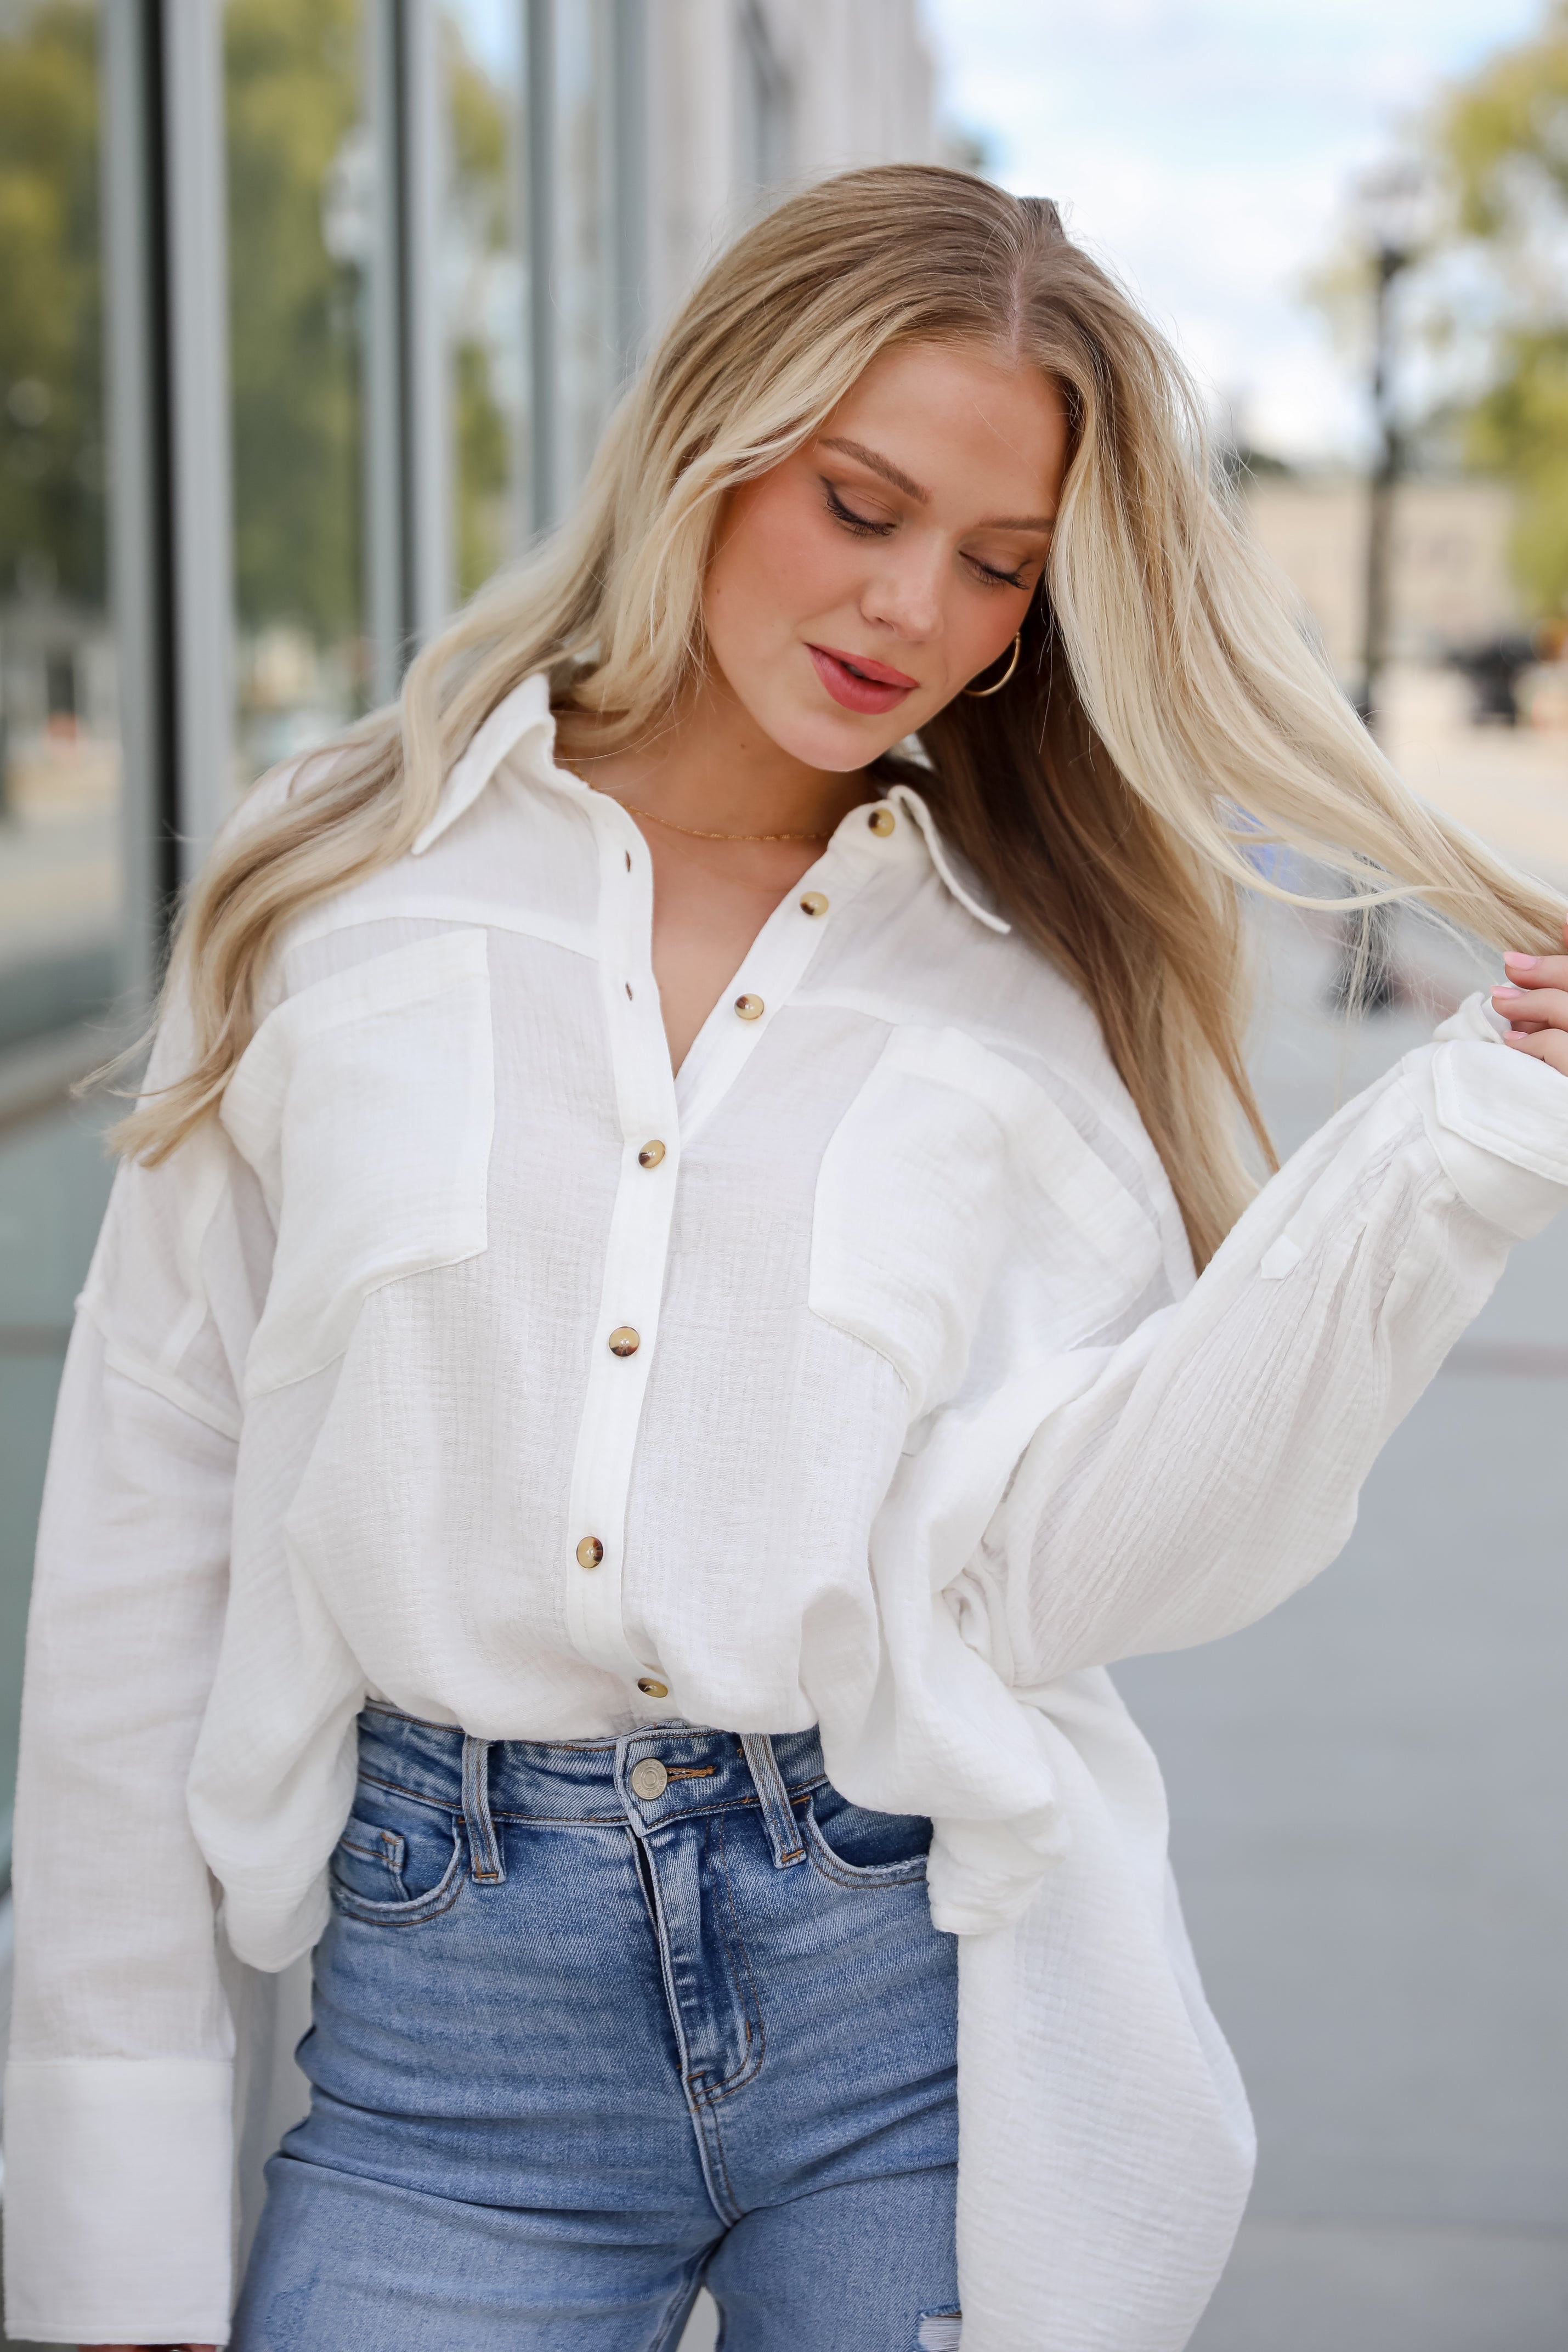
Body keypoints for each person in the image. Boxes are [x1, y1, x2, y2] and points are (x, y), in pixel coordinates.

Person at [4, 165, 1567, 2352]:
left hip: (899, 2005)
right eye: (858, 503)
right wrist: (114, 2243)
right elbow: (143, 1521)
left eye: (999, 562)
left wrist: (1457, 1152)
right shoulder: (341, 875)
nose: (913, 605)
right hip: (449, 2050)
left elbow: (1071, 1569)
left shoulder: (1035, 978)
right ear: (707, 442)